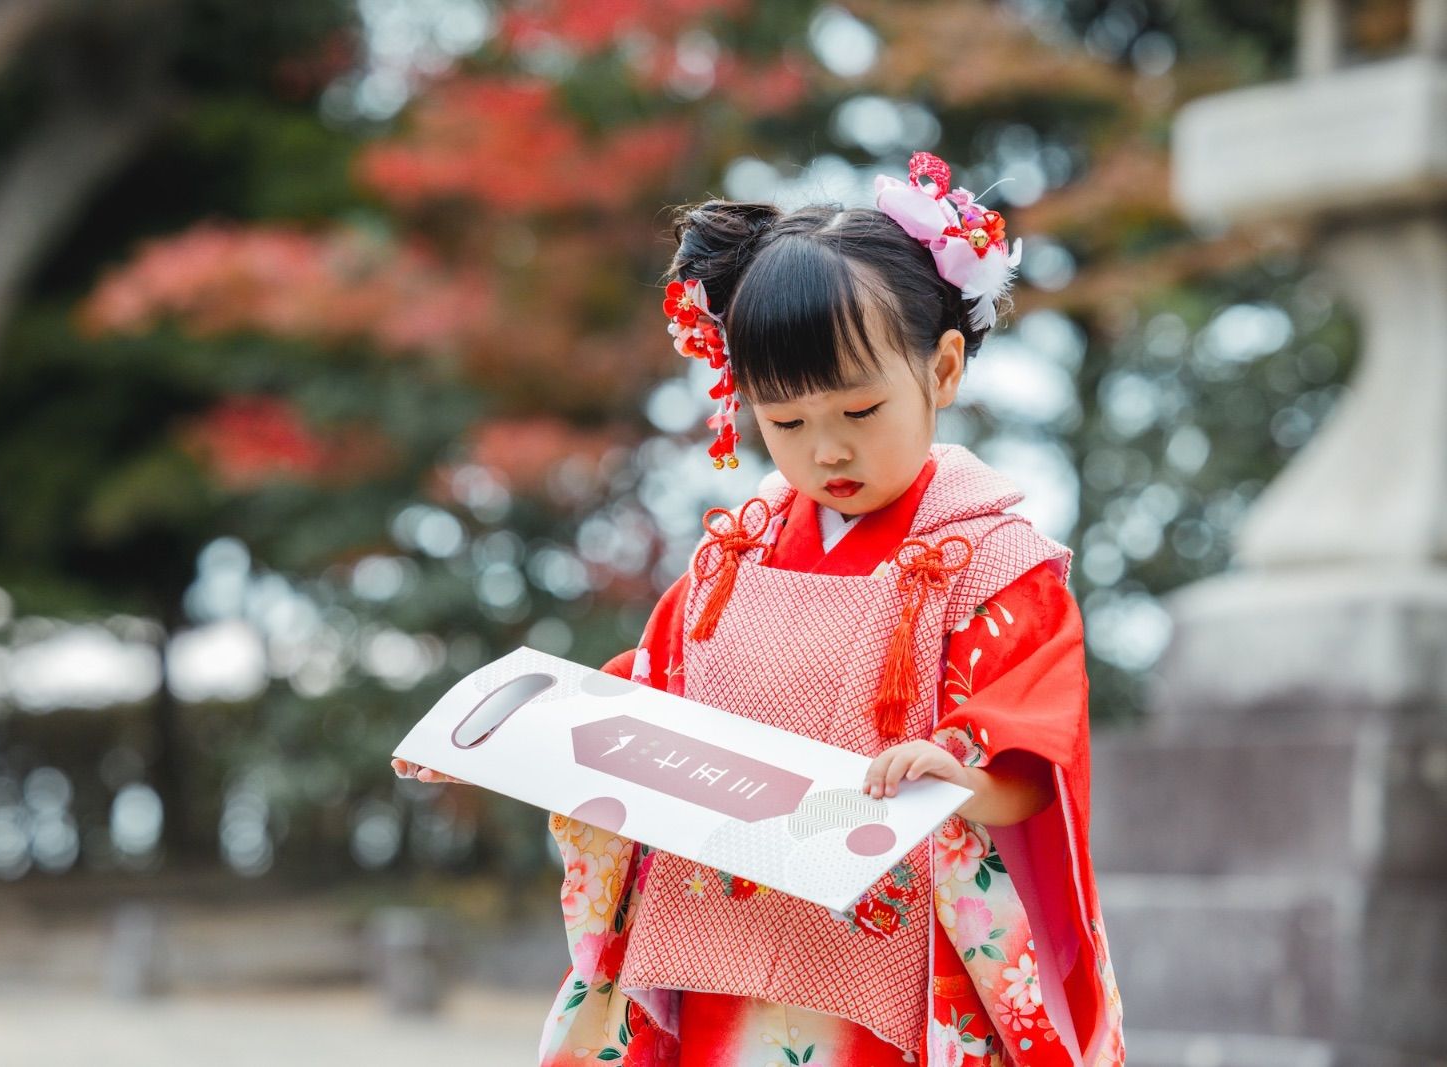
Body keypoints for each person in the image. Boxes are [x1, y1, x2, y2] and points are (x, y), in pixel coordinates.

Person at [397, 150, 1126, 1066]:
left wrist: (950, 769)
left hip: (886, 946)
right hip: (715, 932)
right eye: (785, 422)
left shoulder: (996, 563)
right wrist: (538, 733)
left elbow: (1030, 770)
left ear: (941, 369)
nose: (826, 450)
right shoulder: (727, 558)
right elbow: (649, 704)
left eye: (859, 410)